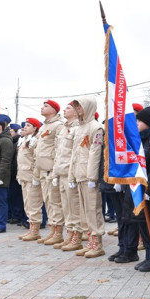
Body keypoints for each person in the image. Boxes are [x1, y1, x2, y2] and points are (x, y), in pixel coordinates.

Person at [68, 96, 106, 258]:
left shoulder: (96, 127)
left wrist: (92, 177)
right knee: (84, 210)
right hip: (79, 174)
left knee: (93, 209)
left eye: (80, 107)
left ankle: (97, 243)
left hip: (89, 176)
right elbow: (74, 155)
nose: (78, 110)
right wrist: (71, 176)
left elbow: (95, 153)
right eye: (76, 107)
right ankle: (90, 240)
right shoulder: (79, 128)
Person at [130, 106, 150, 272]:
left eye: (140, 120)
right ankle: (149, 256)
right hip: (138, 187)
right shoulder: (138, 139)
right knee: (141, 221)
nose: (136, 123)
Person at [53, 103, 85, 251]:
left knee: (74, 207)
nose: (64, 110)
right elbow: (58, 153)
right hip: (61, 172)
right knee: (66, 207)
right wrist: (55, 173)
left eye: (68, 108)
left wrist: (72, 175)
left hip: (70, 173)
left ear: (77, 112)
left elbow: (75, 155)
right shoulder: (65, 129)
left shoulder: (78, 128)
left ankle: (77, 237)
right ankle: (69, 234)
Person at [34, 100, 65, 245]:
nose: (42, 108)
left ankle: (58, 233)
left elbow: (59, 149)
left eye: (46, 106)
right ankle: (53, 231)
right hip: (42, 169)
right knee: (48, 202)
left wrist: (55, 171)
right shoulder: (43, 126)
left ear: (54, 109)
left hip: (51, 169)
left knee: (55, 202)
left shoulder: (58, 126)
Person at [17, 118, 45, 241]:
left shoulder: (36, 140)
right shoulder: (25, 140)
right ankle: (31, 229)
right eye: (25, 125)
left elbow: (36, 160)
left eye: (29, 125)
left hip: (31, 176)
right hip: (23, 176)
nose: (25, 127)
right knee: (27, 204)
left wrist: (35, 176)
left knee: (34, 204)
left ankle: (35, 230)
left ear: (35, 128)